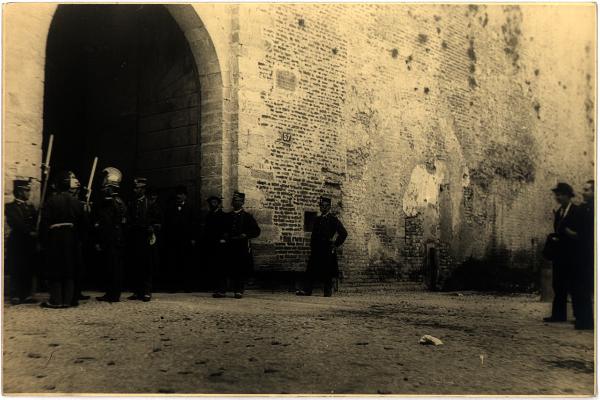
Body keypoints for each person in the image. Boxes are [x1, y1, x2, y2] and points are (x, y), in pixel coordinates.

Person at [40, 171, 85, 308]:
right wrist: (79, 238)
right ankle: (68, 300)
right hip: (71, 237)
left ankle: (56, 300)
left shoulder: (52, 201)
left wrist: (43, 240)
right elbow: (83, 223)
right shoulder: (77, 202)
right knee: (69, 267)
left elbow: (45, 222)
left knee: (56, 267)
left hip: (55, 237)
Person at [296, 196, 348, 297]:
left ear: (329, 207)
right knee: (311, 269)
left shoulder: (333, 220)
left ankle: (327, 292)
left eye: (324, 206)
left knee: (327, 270)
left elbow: (344, 233)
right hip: (316, 249)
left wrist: (335, 244)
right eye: (321, 206)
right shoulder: (317, 219)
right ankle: (307, 290)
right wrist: (312, 246)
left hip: (327, 249)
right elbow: (313, 235)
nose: (322, 208)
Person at [543, 183, 580, 323]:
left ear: (568, 196)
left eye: (561, 194)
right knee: (558, 284)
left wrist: (567, 233)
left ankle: (579, 316)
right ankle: (558, 315)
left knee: (574, 285)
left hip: (573, 256)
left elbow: (580, 234)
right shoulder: (559, 212)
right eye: (556, 195)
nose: (558, 197)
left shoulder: (576, 211)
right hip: (560, 256)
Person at [213, 191, 260, 299]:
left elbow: (256, 231)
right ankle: (222, 290)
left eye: (237, 200)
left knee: (240, 268)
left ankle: (238, 290)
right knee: (224, 267)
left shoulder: (248, 217)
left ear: (242, 202)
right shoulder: (227, 216)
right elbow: (220, 229)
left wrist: (246, 234)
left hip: (241, 246)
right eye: (233, 200)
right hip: (228, 246)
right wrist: (223, 236)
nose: (235, 202)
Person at [94, 167, 128, 303]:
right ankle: (113, 293)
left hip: (111, 239)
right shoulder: (119, 201)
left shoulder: (110, 203)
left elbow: (107, 223)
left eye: (106, 186)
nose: (104, 189)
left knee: (112, 267)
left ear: (110, 188)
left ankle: (112, 294)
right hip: (117, 238)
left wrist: (100, 239)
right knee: (115, 266)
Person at [127, 178, 161, 302]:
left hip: (145, 237)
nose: (135, 190)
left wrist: (152, 228)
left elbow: (157, 221)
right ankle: (137, 291)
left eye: (138, 188)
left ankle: (146, 291)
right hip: (135, 237)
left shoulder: (150, 203)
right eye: (135, 188)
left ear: (143, 189)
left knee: (146, 264)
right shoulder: (132, 203)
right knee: (136, 264)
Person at [5, 179, 38, 305]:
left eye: (29, 190)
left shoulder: (30, 207)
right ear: (19, 191)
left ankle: (27, 294)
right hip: (17, 241)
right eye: (26, 190)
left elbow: (35, 222)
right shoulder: (10, 207)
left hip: (29, 242)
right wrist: (29, 231)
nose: (29, 193)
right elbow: (15, 222)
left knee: (28, 266)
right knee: (16, 266)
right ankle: (16, 294)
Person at [163, 185, 195, 292]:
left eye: (181, 194)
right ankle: (173, 286)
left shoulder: (191, 208)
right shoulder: (170, 208)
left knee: (186, 262)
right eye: (177, 194)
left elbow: (194, 224)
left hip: (186, 240)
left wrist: (193, 238)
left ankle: (187, 286)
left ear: (185, 196)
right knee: (173, 262)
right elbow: (166, 224)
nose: (179, 196)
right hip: (173, 240)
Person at [572, 180, 594, 330]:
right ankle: (583, 319)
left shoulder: (591, 210)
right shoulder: (583, 208)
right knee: (581, 288)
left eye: (587, 190)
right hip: (582, 254)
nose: (583, 192)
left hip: (590, 254)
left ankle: (586, 321)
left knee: (585, 287)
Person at [68, 176, 91, 306]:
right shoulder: (72, 202)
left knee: (79, 265)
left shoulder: (79, 202)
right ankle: (72, 293)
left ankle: (77, 291)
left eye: (76, 190)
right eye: (74, 189)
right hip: (71, 237)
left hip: (78, 238)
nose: (76, 191)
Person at [205, 195, 226, 294]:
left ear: (218, 204)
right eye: (211, 203)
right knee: (211, 264)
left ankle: (221, 287)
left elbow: (225, 230)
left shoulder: (223, 215)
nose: (212, 204)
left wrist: (223, 238)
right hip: (210, 243)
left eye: (214, 202)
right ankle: (213, 286)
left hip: (219, 243)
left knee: (220, 266)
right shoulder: (208, 215)